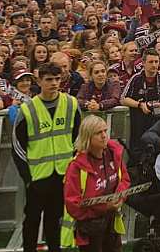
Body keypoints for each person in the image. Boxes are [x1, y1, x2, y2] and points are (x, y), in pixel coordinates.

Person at [11, 62, 82, 252]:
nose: (54, 83)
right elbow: (17, 146)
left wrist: (73, 168)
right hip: (37, 175)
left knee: (55, 217)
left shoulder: (71, 104)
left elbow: (78, 138)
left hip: (62, 172)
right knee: (32, 219)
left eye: (57, 79)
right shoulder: (27, 109)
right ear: (39, 81)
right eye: (49, 79)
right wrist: (27, 177)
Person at [61, 115, 129, 251]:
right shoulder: (76, 167)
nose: (104, 136)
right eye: (99, 133)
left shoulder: (114, 154)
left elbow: (124, 180)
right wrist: (104, 207)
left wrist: (120, 198)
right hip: (90, 229)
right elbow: (73, 204)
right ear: (87, 137)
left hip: (112, 224)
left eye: (105, 130)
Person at [120, 49, 160, 162]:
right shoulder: (136, 79)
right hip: (141, 122)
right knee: (140, 150)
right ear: (143, 63)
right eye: (151, 62)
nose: (154, 65)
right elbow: (123, 99)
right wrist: (140, 105)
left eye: (156, 62)